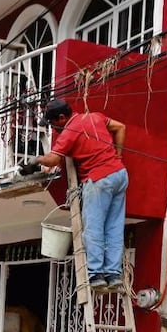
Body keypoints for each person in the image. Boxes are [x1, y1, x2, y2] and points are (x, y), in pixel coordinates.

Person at [22, 99, 127, 292]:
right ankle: (114, 275)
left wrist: (36, 160)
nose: (53, 128)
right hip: (119, 175)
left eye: (53, 123)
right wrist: (118, 156)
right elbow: (121, 127)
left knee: (93, 229)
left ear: (61, 118)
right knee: (114, 227)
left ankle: (96, 275)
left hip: (98, 179)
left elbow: (53, 159)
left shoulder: (69, 131)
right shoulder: (94, 117)